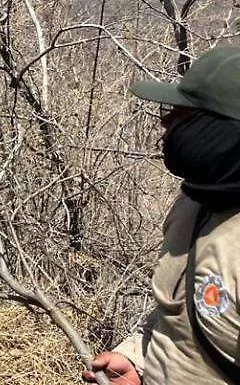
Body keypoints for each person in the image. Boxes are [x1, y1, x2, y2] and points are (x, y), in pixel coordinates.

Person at [82, 45, 240, 385]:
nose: (164, 121)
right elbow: (177, 316)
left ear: (222, 131)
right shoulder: (192, 204)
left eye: (182, 114)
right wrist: (137, 359)